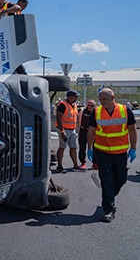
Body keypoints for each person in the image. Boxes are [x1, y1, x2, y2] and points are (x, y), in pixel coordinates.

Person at [87, 88, 137, 222]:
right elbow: (91, 131)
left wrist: (133, 148)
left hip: (120, 153)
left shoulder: (125, 110)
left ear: (113, 98)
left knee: (121, 179)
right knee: (107, 180)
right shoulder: (96, 112)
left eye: (105, 99)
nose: (102, 102)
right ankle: (108, 209)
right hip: (102, 152)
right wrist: (89, 147)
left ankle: (109, 196)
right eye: (100, 99)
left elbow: (132, 130)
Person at [55, 90, 82, 172]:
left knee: (73, 147)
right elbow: (58, 118)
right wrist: (61, 131)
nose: (76, 98)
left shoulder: (74, 105)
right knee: (62, 147)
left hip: (72, 129)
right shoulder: (63, 105)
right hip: (64, 129)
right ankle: (59, 166)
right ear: (70, 97)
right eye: (75, 96)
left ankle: (76, 165)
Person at [77, 100, 96, 169]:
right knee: (82, 147)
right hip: (83, 130)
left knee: (95, 147)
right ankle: (82, 162)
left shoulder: (96, 113)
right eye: (88, 105)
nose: (89, 107)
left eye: (91, 106)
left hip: (93, 132)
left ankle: (95, 163)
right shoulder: (83, 111)